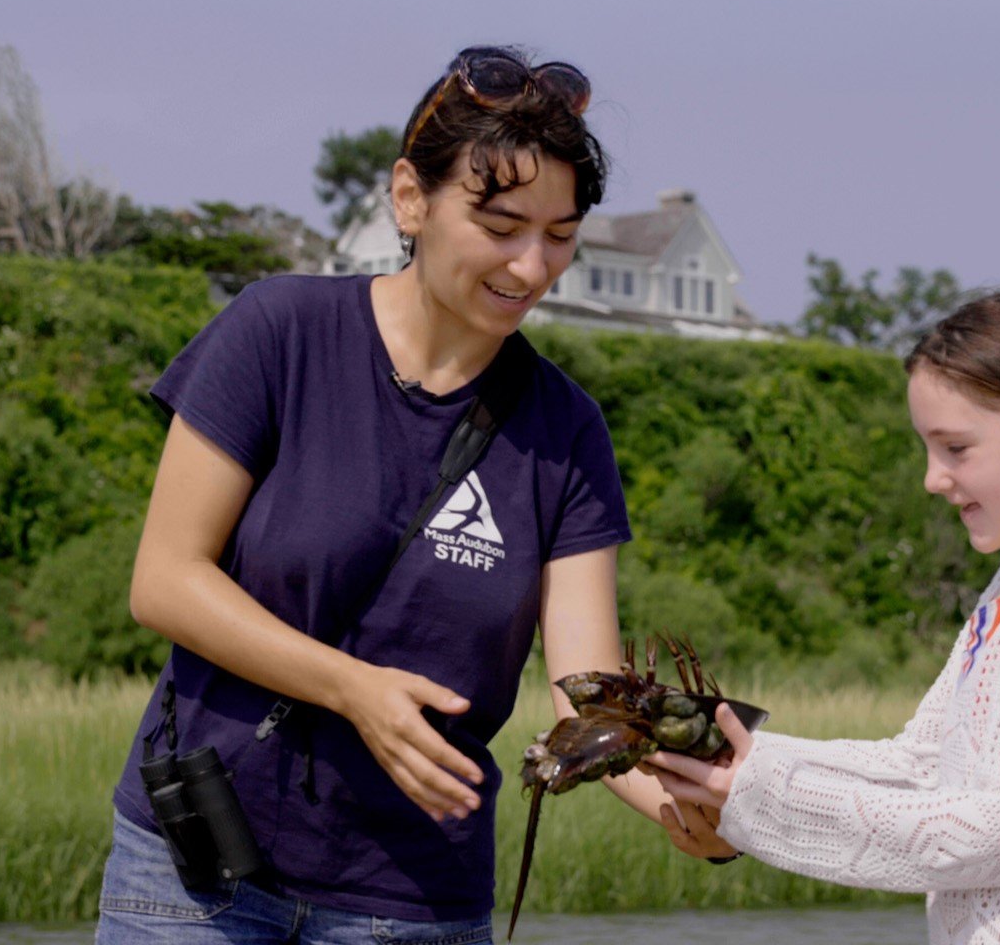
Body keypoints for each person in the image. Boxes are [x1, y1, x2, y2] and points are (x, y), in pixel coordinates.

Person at [93, 46, 725, 945]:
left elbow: (584, 693)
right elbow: (164, 580)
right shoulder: (279, 333)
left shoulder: (568, 431)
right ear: (409, 199)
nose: (532, 265)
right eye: (501, 223)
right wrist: (353, 689)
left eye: (559, 234)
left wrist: (680, 804)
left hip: (411, 903)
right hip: (196, 878)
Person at [647, 285, 1000, 945]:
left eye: (956, 449)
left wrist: (766, 794)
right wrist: (737, 760)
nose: (932, 477)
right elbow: (924, 763)